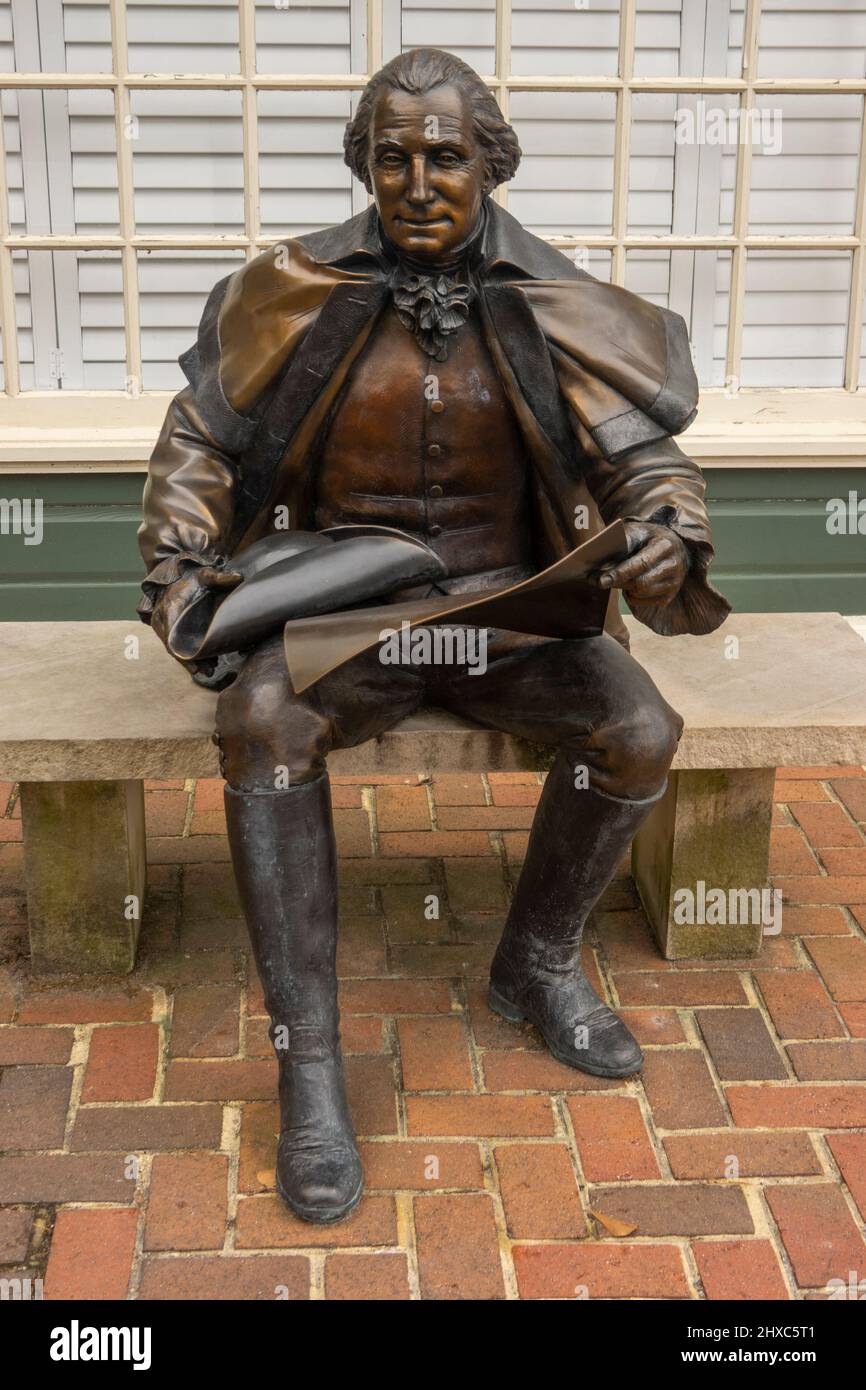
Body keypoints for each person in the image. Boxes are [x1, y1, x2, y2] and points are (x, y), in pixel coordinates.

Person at [138, 47, 730, 1225]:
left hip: (510, 616)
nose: (417, 182)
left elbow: (647, 464)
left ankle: (536, 964)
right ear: (363, 163)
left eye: (445, 156)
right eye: (391, 156)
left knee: (637, 727)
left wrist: (666, 530)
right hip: (346, 620)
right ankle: (309, 1063)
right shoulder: (286, 293)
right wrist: (176, 559)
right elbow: (197, 444)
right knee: (258, 721)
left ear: (488, 166)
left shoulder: (556, 305)